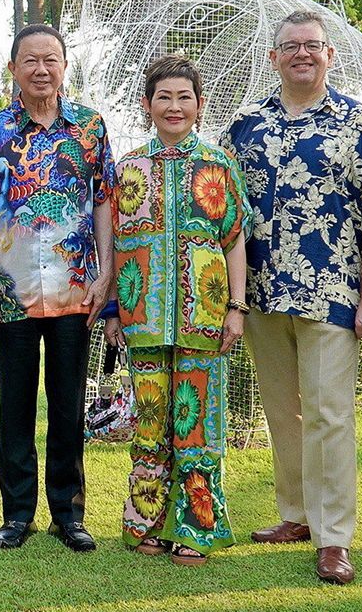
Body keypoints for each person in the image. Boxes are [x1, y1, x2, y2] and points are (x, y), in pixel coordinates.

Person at [222, 10, 362, 584]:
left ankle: (333, 537)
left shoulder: (360, 123)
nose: (301, 53)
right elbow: (223, 212)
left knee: (329, 413)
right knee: (283, 411)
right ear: (273, 57)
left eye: (312, 45)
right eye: (290, 46)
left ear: (330, 55)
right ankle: (295, 514)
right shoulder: (245, 125)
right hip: (262, 294)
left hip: (332, 293)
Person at [0, 23, 116, 553]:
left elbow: (103, 201)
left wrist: (106, 271)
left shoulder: (91, 128)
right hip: (11, 292)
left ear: (63, 66)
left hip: (76, 291)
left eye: (50, 59)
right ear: (13, 69)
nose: (40, 70)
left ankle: (69, 514)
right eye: (30, 61)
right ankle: (16, 514)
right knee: (15, 408)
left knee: (68, 406)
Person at [104, 55, 251, 566]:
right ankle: (145, 520)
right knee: (150, 422)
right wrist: (111, 313)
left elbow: (234, 241)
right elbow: (114, 243)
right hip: (142, 319)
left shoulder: (218, 165)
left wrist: (236, 308)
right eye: (163, 97)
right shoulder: (126, 169)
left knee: (197, 426)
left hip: (204, 320)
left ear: (199, 105)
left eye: (183, 97)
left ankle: (194, 528)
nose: (173, 106)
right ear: (147, 105)